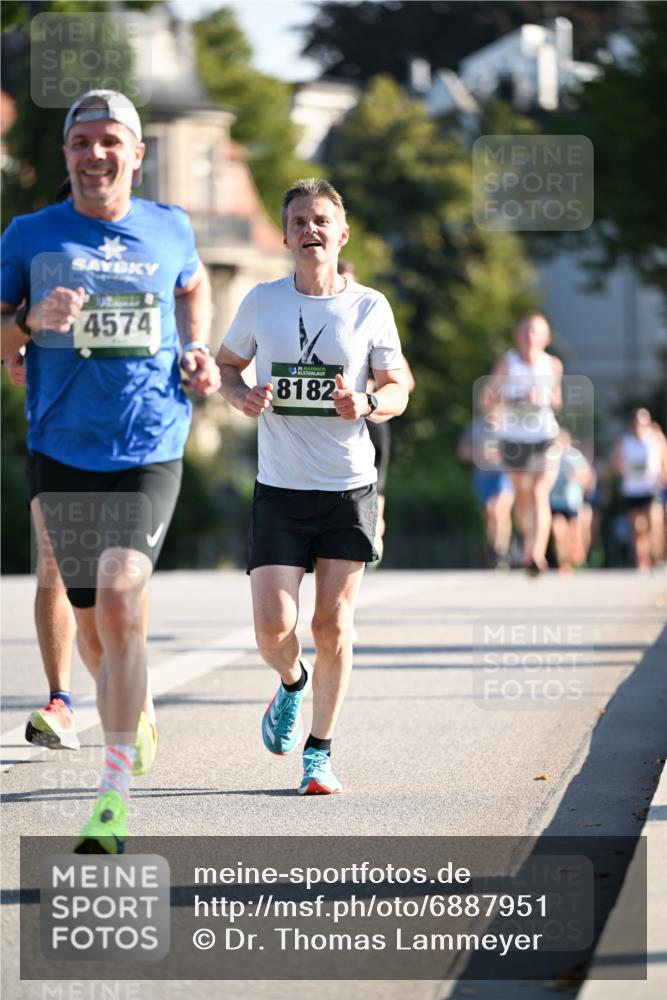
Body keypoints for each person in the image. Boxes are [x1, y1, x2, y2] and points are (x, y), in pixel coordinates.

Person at [1, 90, 221, 852]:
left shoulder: (171, 227)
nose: (96, 154)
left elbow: (193, 284)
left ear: (135, 153)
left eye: (110, 142)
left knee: (124, 602)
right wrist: (28, 324)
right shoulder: (30, 234)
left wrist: (198, 350)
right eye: (82, 142)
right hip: (62, 448)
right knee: (93, 624)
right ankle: (138, 707)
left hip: (149, 442)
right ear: (67, 155)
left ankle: (112, 796)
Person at [217, 178, 408, 795]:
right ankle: (293, 684)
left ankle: (319, 755)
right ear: (285, 235)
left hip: (348, 488)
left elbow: (400, 388)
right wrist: (239, 395)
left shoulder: (369, 307)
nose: (310, 229)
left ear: (341, 233)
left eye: (321, 220)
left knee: (333, 626)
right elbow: (226, 366)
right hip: (280, 487)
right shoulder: (262, 302)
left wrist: (370, 400)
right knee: (275, 629)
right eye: (299, 221)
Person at [337, 259, 414, 564]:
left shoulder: (368, 322)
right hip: (333, 423)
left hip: (371, 420)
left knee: (374, 491)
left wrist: (367, 392)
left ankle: (374, 535)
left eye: (346, 281)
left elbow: (404, 382)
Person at [482, 313, 563, 575]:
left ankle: (535, 555)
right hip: (514, 440)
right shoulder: (507, 364)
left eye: (535, 332)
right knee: (523, 499)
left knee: (540, 493)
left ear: (546, 338)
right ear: (518, 336)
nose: (530, 337)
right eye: (526, 332)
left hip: (544, 438)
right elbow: (486, 400)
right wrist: (513, 399)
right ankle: (527, 538)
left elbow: (557, 401)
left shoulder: (552, 365)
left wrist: (541, 396)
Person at [610, 408, 667, 570]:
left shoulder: (656, 438)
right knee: (637, 527)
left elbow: (665, 459)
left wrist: (663, 474)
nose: (638, 427)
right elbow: (614, 464)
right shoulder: (624, 442)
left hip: (651, 488)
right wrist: (620, 468)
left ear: (648, 424)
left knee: (655, 522)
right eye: (635, 424)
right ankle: (642, 558)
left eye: (642, 424)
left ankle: (658, 557)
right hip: (632, 490)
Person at [457, 416, 515, 569]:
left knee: (498, 509)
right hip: (482, 476)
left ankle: (501, 552)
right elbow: (462, 452)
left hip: (504, 475)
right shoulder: (475, 427)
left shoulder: (511, 425)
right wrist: (478, 454)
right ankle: (494, 548)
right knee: (489, 515)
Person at [548, 427, 593, 572]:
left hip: (573, 503)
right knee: (558, 532)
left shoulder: (574, 457)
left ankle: (576, 555)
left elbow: (588, 478)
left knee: (574, 534)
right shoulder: (549, 458)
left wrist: (576, 477)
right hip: (555, 503)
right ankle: (564, 563)